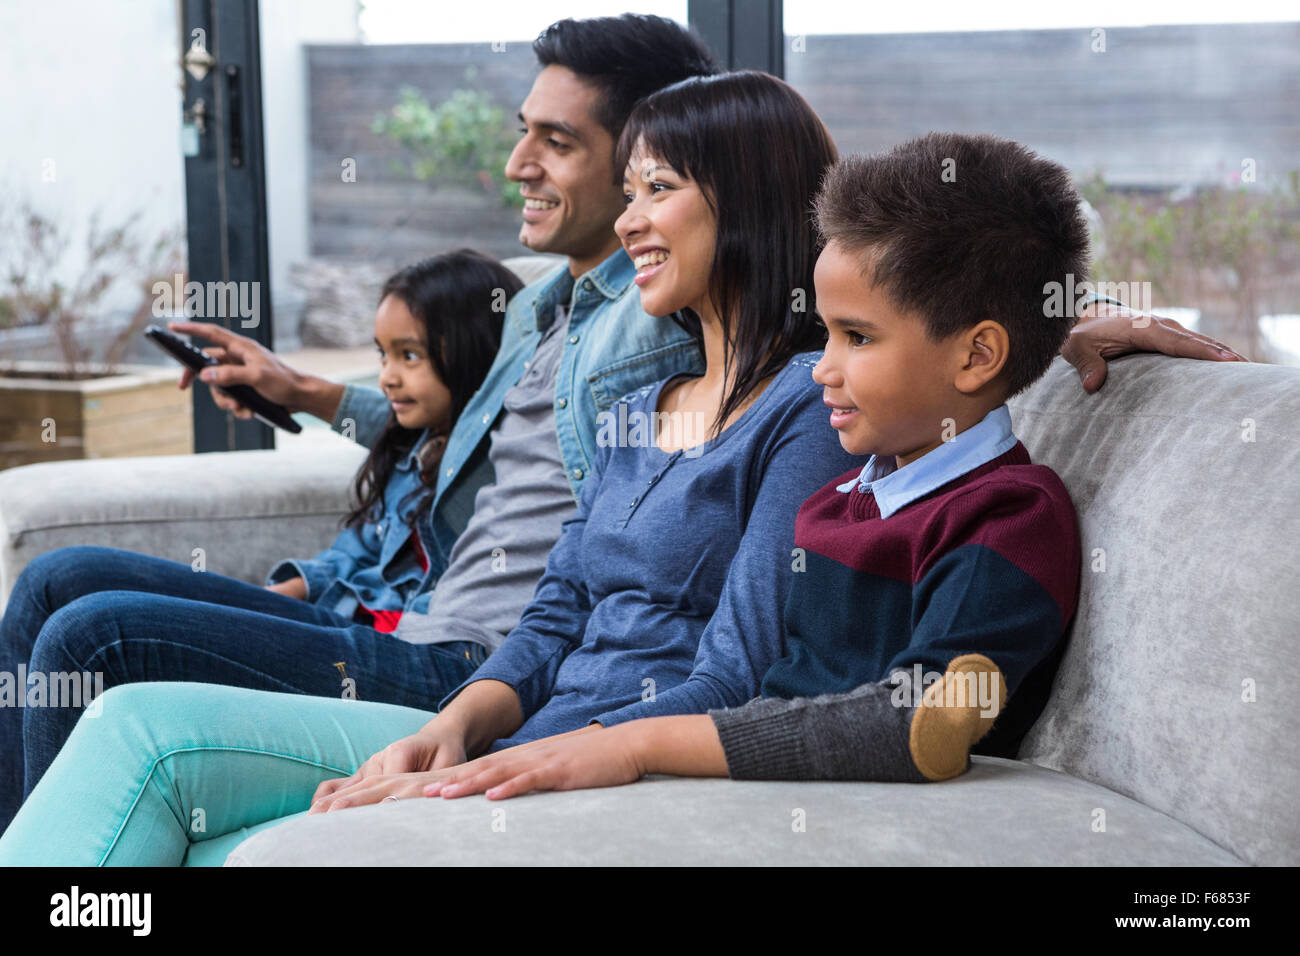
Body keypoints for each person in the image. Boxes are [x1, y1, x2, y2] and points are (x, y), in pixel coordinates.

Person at [0, 68, 867, 866]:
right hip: (520, 725)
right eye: (629, 190)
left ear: (747, 200)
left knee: (134, 712)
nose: (631, 219)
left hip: (589, 755)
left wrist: (498, 766)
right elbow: (556, 610)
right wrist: (451, 730)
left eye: (660, 190)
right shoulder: (639, 407)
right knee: (145, 742)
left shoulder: (806, 408)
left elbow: (735, 676)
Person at [364, 131, 1091, 798]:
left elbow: (915, 722)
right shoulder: (839, 499)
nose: (821, 370)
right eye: (828, 334)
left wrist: (633, 745)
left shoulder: (1010, 515)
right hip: (724, 786)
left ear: (977, 355)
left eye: (857, 339)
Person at [0, 249, 517, 824]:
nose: (388, 375)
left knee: (90, 635)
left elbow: (459, 420)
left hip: (431, 660)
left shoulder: (507, 449)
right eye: (384, 354)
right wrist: (263, 608)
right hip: (358, 626)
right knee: (56, 577)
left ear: (478, 357)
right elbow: (371, 532)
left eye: (411, 355)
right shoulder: (420, 438)